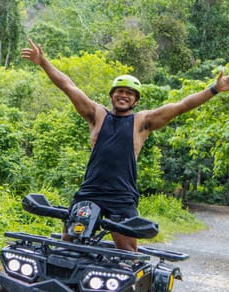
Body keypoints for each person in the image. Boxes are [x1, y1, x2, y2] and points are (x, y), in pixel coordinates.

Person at [21, 39, 228, 251]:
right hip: (91, 191)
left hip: (122, 196)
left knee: (128, 252)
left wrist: (214, 89)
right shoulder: (96, 115)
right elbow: (68, 86)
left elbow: (181, 106)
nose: (124, 95)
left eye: (130, 93)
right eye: (119, 91)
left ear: (135, 100)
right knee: (69, 245)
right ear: (112, 95)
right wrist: (43, 62)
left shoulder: (142, 122)